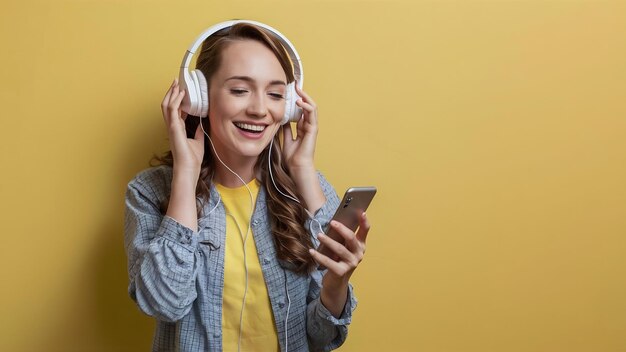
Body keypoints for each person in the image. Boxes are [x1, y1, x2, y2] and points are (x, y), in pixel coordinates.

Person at [124, 21, 370, 352]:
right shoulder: (149, 192)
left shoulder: (307, 186)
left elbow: (325, 336)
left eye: (275, 94)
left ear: (290, 108)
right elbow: (164, 303)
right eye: (240, 90)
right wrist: (186, 171)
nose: (258, 109)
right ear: (200, 97)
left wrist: (302, 168)